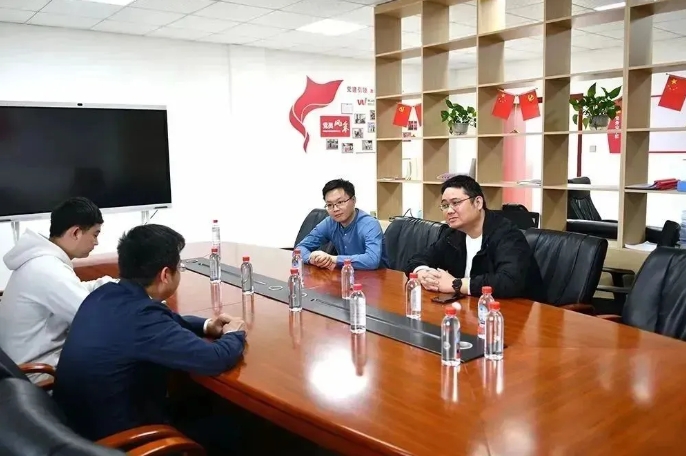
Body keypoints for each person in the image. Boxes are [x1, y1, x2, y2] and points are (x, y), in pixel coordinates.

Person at [52, 224, 247, 454]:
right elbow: (214, 359)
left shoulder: (104, 295)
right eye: (179, 267)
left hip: (76, 430)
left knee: (197, 403)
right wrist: (234, 333)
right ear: (165, 275)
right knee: (236, 430)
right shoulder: (143, 318)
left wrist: (207, 325)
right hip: (118, 443)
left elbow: (165, 321)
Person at [0, 197, 114, 380]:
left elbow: (76, 291)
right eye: (95, 234)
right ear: (76, 232)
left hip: (23, 363)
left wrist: (112, 284)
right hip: (39, 373)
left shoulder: (40, 261)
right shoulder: (48, 269)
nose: (96, 242)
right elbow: (95, 319)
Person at [404, 175, 543, 299]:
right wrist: (422, 273)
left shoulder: (507, 234)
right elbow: (416, 259)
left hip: (517, 311)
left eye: (456, 203)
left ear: (478, 203)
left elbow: (509, 281)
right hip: (471, 307)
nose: (449, 211)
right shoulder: (453, 234)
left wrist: (456, 284)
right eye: (445, 205)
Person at [296, 179, 388, 270]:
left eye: (340, 202)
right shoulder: (329, 223)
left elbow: (372, 260)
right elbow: (299, 249)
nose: (335, 209)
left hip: (378, 276)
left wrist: (333, 259)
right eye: (329, 205)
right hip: (346, 274)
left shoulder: (370, 224)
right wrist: (311, 258)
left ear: (353, 200)